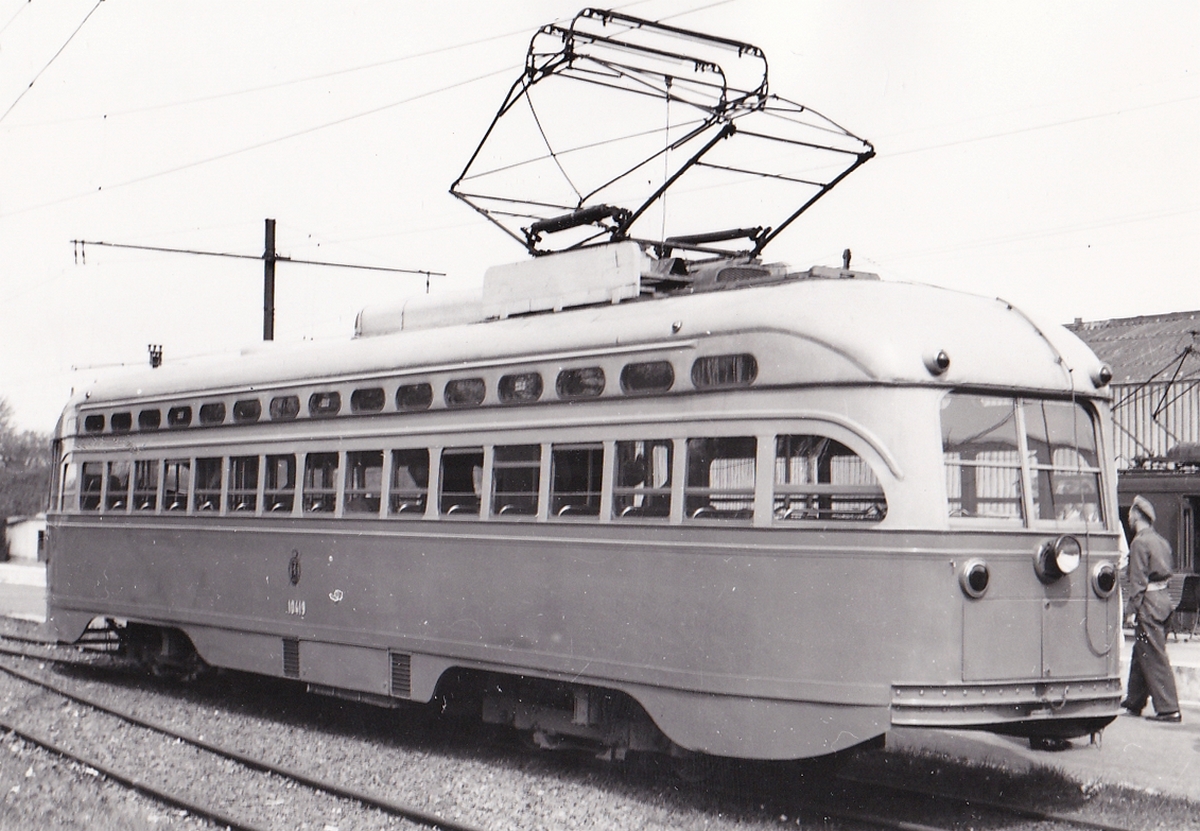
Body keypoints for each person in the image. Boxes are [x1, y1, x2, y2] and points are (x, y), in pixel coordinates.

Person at [1120, 495, 1182, 723]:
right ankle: (1134, 702)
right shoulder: (1161, 541)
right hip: (1164, 602)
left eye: (1131, 513)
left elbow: (1138, 582)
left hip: (1148, 604)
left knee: (1154, 656)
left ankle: (1169, 709)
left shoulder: (1139, 543)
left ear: (1137, 515)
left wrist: (1130, 610)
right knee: (1142, 651)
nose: (1128, 517)